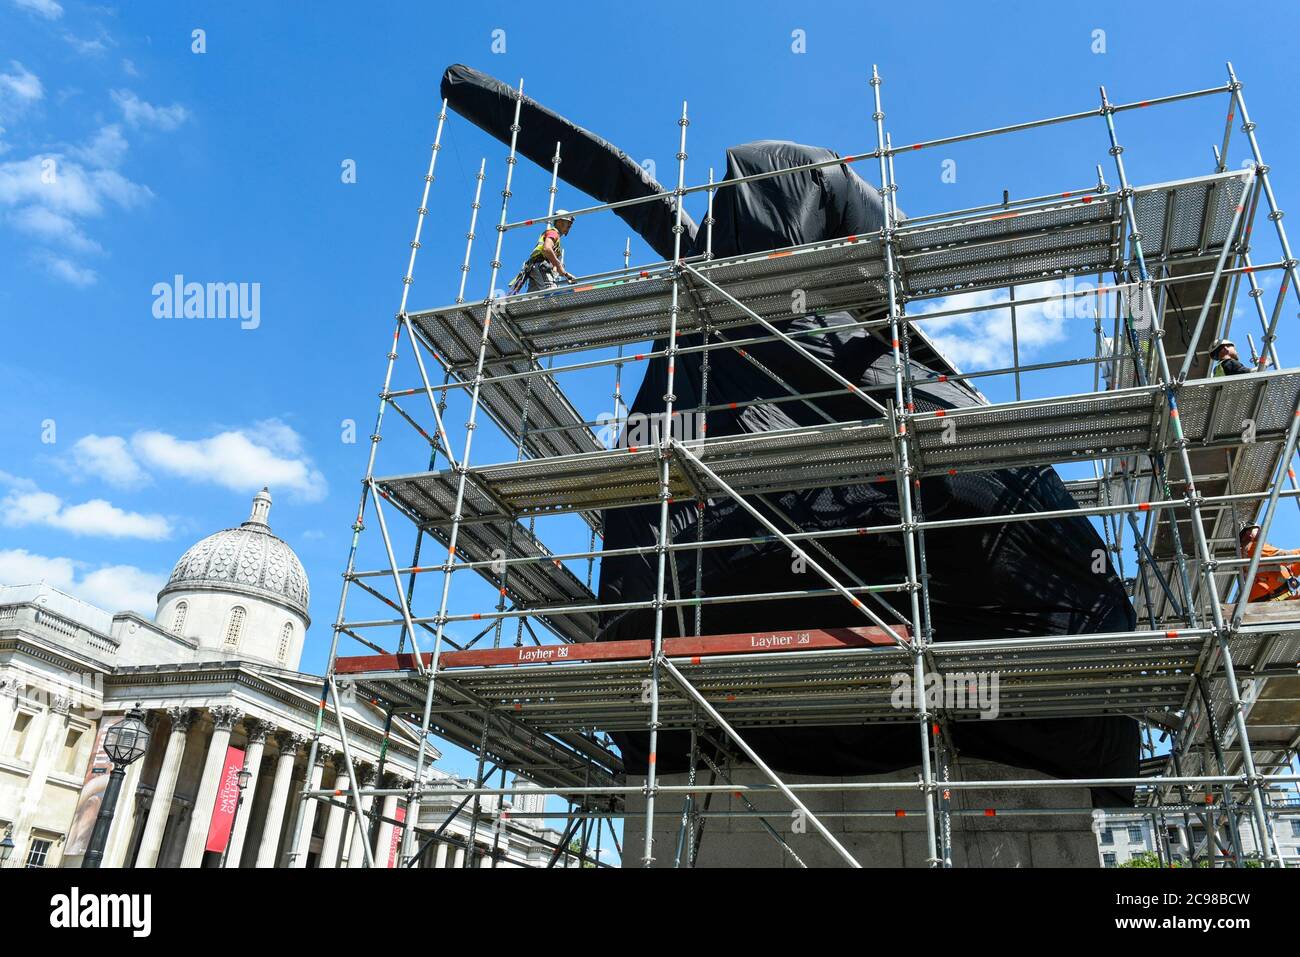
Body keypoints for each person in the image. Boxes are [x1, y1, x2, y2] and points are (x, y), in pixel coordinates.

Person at [511, 210, 577, 293]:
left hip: (536, 268)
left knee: (535, 299)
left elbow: (556, 267)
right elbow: (547, 249)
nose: (570, 226)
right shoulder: (553, 233)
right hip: (541, 267)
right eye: (568, 223)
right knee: (551, 292)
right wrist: (559, 266)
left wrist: (565, 274)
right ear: (560, 222)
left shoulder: (555, 238)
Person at [1238, 523, 1300, 602]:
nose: (1261, 531)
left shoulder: (1249, 551)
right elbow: (1284, 557)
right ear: (1249, 533)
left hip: (1275, 596)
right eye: (1258, 529)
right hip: (1269, 598)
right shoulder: (1254, 547)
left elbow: (1288, 569)